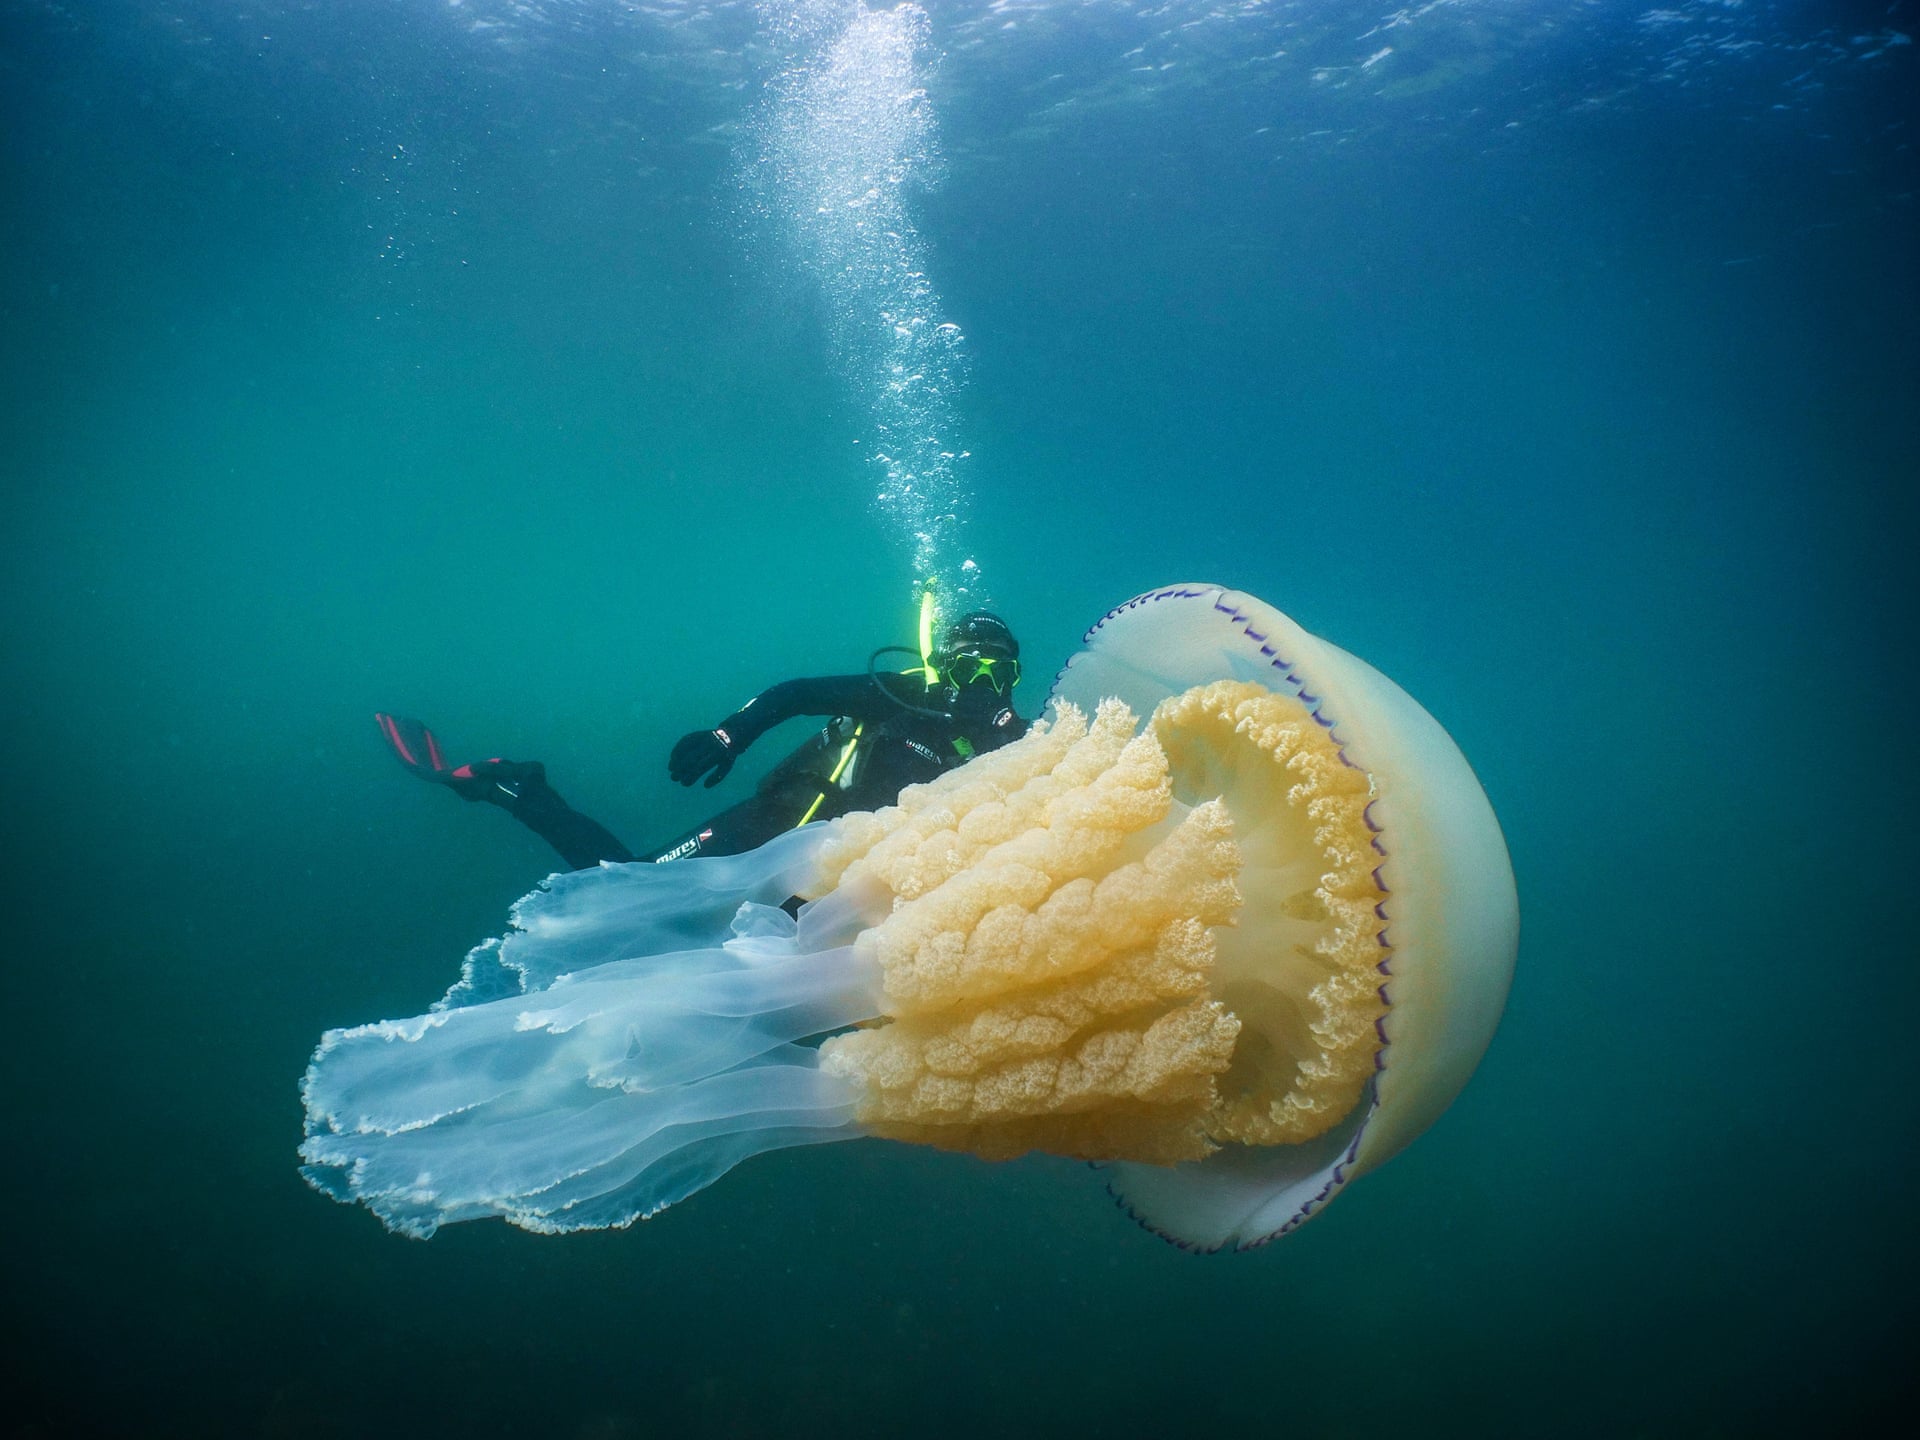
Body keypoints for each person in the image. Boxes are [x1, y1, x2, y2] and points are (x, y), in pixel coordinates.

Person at [376, 610, 1029, 871]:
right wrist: (728, 735)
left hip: (840, 878)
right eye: (969, 666)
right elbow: (796, 693)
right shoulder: (904, 693)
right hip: (775, 825)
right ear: (945, 666)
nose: (982, 684)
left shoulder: (1014, 743)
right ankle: (521, 787)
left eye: (1000, 673)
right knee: (629, 887)